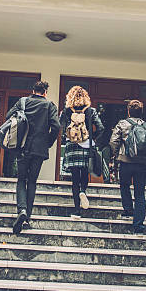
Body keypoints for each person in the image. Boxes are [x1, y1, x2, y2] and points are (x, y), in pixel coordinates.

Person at [7, 80, 60, 234]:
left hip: (22, 147)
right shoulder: (50, 105)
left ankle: (21, 210)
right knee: (32, 181)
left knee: (21, 179)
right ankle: (27, 217)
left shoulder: (23, 102)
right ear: (45, 92)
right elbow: (56, 126)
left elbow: (8, 117)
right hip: (39, 149)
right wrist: (48, 142)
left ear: (33, 90)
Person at [109, 99, 146, 234]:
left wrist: (117, 155)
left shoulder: (122, 124)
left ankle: (128, 211)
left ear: (128, 111)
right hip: (143, 164)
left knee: (124, 185)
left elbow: (113, 141)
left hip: (126, 162)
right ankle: (138, 226)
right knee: (140, 193)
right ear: (141, 112)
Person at [59, 86, 104, 219]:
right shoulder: (91, 111)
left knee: (74, 179)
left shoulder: (66, 111)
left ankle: (77, 210)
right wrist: (92, 138)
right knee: (85, 172)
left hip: (72, 146)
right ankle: (83, 191)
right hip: (86, 146)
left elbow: (59, 126)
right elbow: (101, 128)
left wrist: (66, 137)